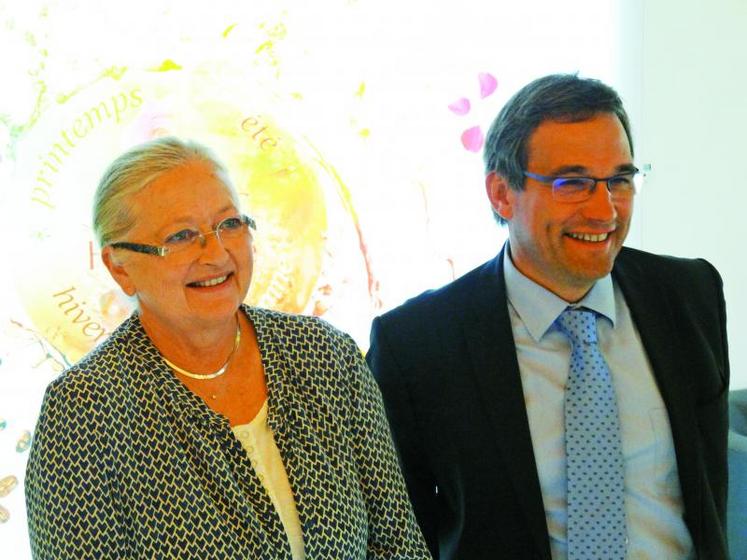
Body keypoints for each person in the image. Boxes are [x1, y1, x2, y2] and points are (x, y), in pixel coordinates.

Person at [367, 74, 729, 559]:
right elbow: (397, 535)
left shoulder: (690, 295)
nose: (605, 210)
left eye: (619, 180)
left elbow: (708, 493)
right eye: (573, 183)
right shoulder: (417, 346)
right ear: (501, 193)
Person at [25, 137, 431, 559]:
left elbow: (398, 543)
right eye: (181, 236)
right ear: (119, 267)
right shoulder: (83, 411)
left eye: (229, 225)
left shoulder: (325, 356)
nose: (216, 253)